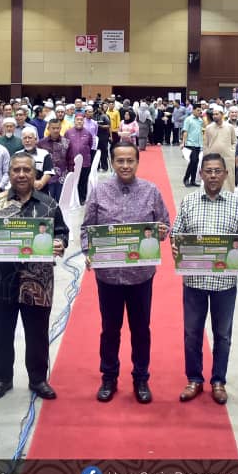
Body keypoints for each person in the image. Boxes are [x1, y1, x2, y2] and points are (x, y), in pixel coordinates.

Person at [0, 154, 68, 401]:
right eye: (16, 170)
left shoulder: (49, 204)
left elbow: (62, 232)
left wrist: (59, 243)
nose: (22, 174)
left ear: (35, 173)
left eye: (27, 170)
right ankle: (2, 379)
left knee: (37, 334)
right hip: (2, 280)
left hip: (38, 281)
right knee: (1, 334)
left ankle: (38, 379)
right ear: (9, 173)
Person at [82, 142, 170, 404]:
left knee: (141, 329)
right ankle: (109, 376)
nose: (125, 165)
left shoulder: (151, 191)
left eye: (130, 160)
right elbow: (87, 228)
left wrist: (162, 231)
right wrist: (88, 250)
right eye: (120, 161)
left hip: (140, 275)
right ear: (112, 162)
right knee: (110, 329)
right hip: (108, 275)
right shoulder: (99, 191)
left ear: (137, 162)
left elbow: (165, 224)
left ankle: (141, 378)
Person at [171, 153, 238, 405]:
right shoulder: (189, 201)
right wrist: (176, 247)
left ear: (226, 174)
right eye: (208, 171)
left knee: (223, 334)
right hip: (194, 281)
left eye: (218, 171)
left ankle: (218, 381)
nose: (213, 175)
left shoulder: (236, 204)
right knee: (191, 333)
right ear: (201, 174)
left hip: (224, 283)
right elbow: (176, 235)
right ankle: (194, 379)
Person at [203, 109, 237, 193]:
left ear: (222, 115)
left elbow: (234, 142)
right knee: (213, 177)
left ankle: (229, 196)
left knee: (229, 178)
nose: (214, 116)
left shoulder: (230, 127)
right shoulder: (209, 128)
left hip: (228, 158)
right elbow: (205, 144)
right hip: (213, 158)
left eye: (216, 114)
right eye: (213, 114)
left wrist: (232, 151)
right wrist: (206, 155)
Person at [64, 112, 94, 204]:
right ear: (74, 121)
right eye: (77, 120)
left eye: (81, 120)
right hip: (72, 163)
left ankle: (82, 199)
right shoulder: (68, 133)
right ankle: (72, 199)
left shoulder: (88, 133)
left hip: (85, 162)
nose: (79, 121)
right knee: (72, 181)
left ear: (83, 121)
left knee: (83, 181)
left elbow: (90, 145)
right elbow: (65, 147)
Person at [180, 104, 204, 187]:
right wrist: (183, 142)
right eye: (198, 110)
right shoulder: (188, 119)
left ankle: (193, 180)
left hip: (198, 144)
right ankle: (186, 179)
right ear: (193, 110)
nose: (199, 112)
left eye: (200, 110)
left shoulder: (200, 120)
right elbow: (185, 131)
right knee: (193, 161)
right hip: (190, 143)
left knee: (196, 162)